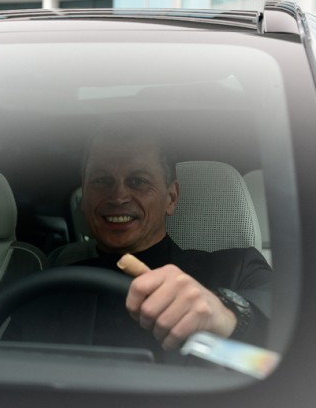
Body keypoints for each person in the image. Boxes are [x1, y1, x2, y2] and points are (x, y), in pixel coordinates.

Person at [73, 124, 271, 351]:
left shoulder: (237, 268)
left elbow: (288, 312)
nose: (118, 197)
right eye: (102, 181)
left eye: (138, 181)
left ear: (171, 198)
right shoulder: (54, 286)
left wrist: (228, 314)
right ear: (85, 193)